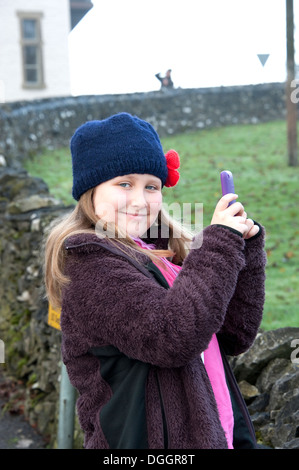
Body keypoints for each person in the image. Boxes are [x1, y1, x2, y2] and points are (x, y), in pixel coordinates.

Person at [44, 112, 266, 449]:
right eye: (124, 184)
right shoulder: (89, 261)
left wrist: (244, 250)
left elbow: (234, 335)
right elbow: (172, 337)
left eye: (151, 186)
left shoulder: (165, 253)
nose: (140, 200)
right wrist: (219, 242)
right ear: (90, 191)